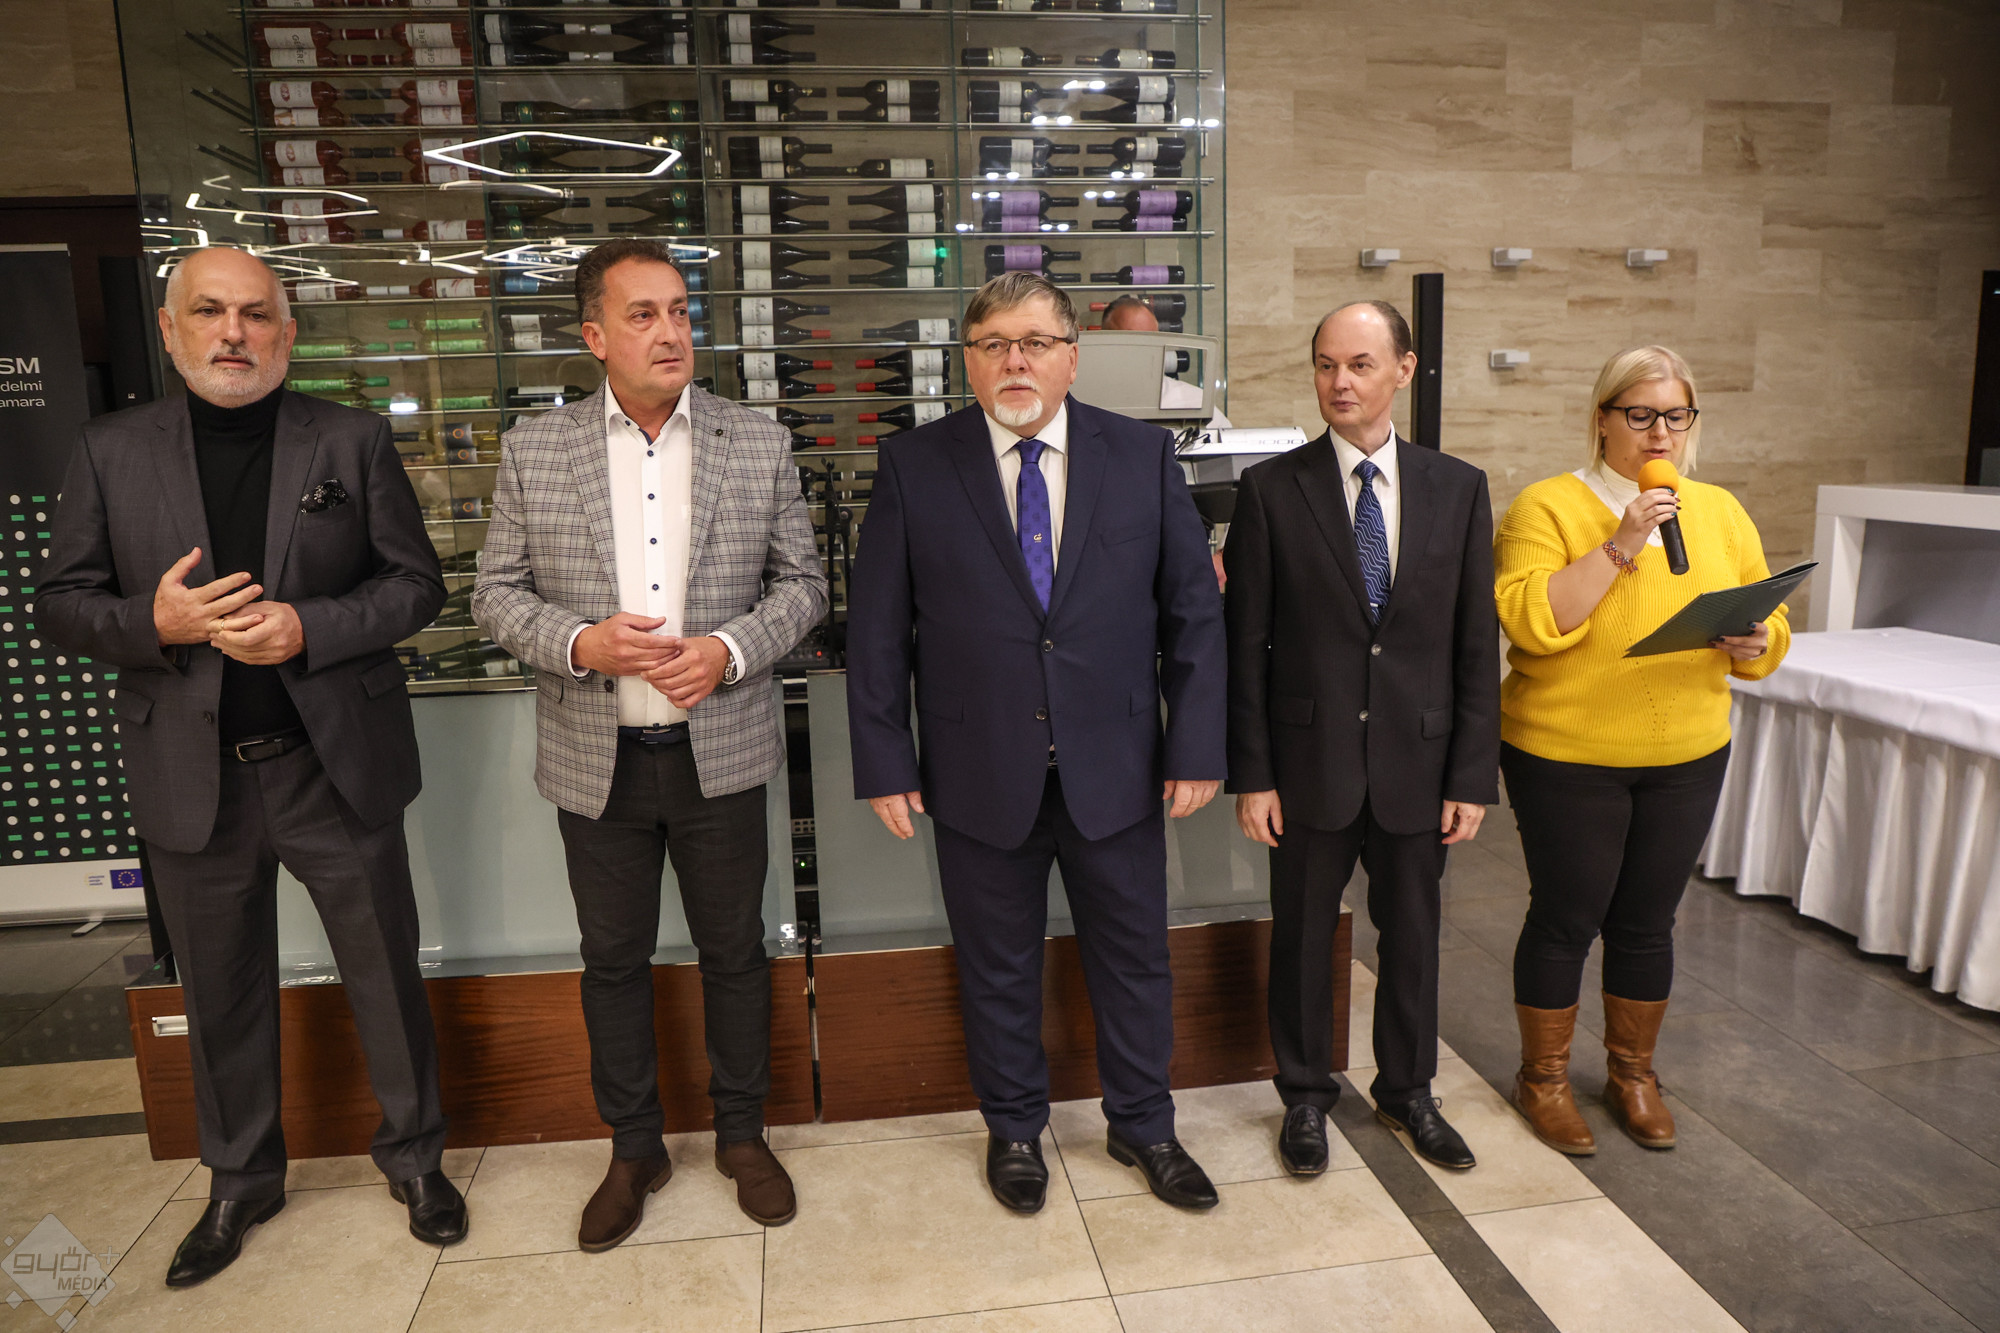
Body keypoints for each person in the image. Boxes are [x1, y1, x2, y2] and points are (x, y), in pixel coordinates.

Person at [38, 246, 463, 1286]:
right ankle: (240, 1179)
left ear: (287, 332)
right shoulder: (109, 449)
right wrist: (156, 621)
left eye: (256, 314)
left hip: (333, 764)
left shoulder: (351, 439)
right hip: (193, 775)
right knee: (220, 991)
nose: (234, 332)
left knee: (383, 971)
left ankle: (416, 1159)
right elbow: (62, 604)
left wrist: (307, 626)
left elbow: (415, 586)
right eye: (210, 312)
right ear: (170, 327)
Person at [845, 272, 1227, 1214]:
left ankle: (1145, 1125)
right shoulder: (915, 465)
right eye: (994, 345)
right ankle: (1014, 1127)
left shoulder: (1141, 455)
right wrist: (886, 759)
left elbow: (1193, 616)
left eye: (1035, 343)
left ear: (1071, 357)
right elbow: (878, 631)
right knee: (997, 964)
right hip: (977, 767)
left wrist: (1196, 745)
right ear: (968, 362)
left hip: (1120, 765)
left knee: (1134, 959)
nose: (1015, 361)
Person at [471, 239, 826, 1248]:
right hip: (598, 760)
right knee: (612, 962)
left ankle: (742, 1134)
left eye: (679, 310)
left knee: (736, 954)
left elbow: (804, 586)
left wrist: (727, 650)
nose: (670, 331)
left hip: (722, 751)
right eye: (642, 314)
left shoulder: (755, 440)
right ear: (594, 336)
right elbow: (494, 594)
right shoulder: (536, 449)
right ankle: (633, 1147)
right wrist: (580, 642)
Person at [1225, 300, 1499, 1176]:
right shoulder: (1272, 489)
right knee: (1304, 936)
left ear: (1404, 370)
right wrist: (1253, 774)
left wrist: (1472, 776)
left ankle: (1409, 1090)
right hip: (1308, 763)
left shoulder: (1459, 487)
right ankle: (1306, 1096)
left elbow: (1474, 642)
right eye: (1325, 364)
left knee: (1413, 937)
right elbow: (1245, 646)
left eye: (1360, 364)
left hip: (1422, 759)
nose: (1339, 382)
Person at [1493, 345, 1789, 1156]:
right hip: (1568, 752)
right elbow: (1535, 622)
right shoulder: (1545, 507)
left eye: (1676, 415)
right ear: (1602, 419)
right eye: (1641, 414)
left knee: (1648, 922)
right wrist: (1622, 541)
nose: (1661, 432)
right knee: (1566, 917)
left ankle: (1632, 1074)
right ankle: (1543, 1079)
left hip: (1688, 750)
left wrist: (1758, 638)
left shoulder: (1718, 510)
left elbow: (1770, 618)